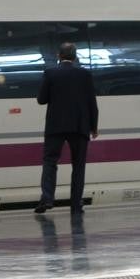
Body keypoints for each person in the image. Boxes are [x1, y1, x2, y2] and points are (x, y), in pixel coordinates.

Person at [35, 42, 99, 215]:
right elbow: (92, 103)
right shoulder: (85, 74)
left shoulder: (50, 73)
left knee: (50, 161)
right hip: (79, 126)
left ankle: (47, 198)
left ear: (59, 55)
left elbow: (41, 100)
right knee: (78, 165)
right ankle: (76, 204)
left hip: (55, 126)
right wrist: (94, 127)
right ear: (75, 56)